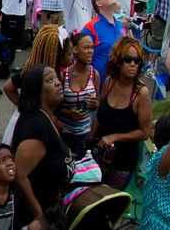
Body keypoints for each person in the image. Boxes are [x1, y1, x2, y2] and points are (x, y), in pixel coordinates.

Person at [13, 64, 75, 218]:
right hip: (34, 222)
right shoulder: (37, 127)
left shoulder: (45, 119)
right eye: (49, 80)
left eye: (56, 78)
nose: (58, 82)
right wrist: (39, 214)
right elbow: (20, 176)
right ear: (36, 91)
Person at [92, 37, 153, 190]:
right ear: (118, 61)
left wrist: (115, 137)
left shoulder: (141, 93)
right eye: (128, 59)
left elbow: (145, 133)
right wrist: (89, 145)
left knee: (108, 204)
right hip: (99, 157)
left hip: (123, 164)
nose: (133, 64)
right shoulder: (109, 83)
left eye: (137, 60)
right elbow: (99, 118)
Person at [59, 32, 99, 158]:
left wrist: (94, 104)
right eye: (86, 47)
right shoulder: (64, 76)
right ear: (75, 49)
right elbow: (54, 107)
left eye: (92, 47)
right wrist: (67, 113)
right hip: (63, 134)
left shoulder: (95, 75)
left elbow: (96, 105)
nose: (90, 51)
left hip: (84, 135)